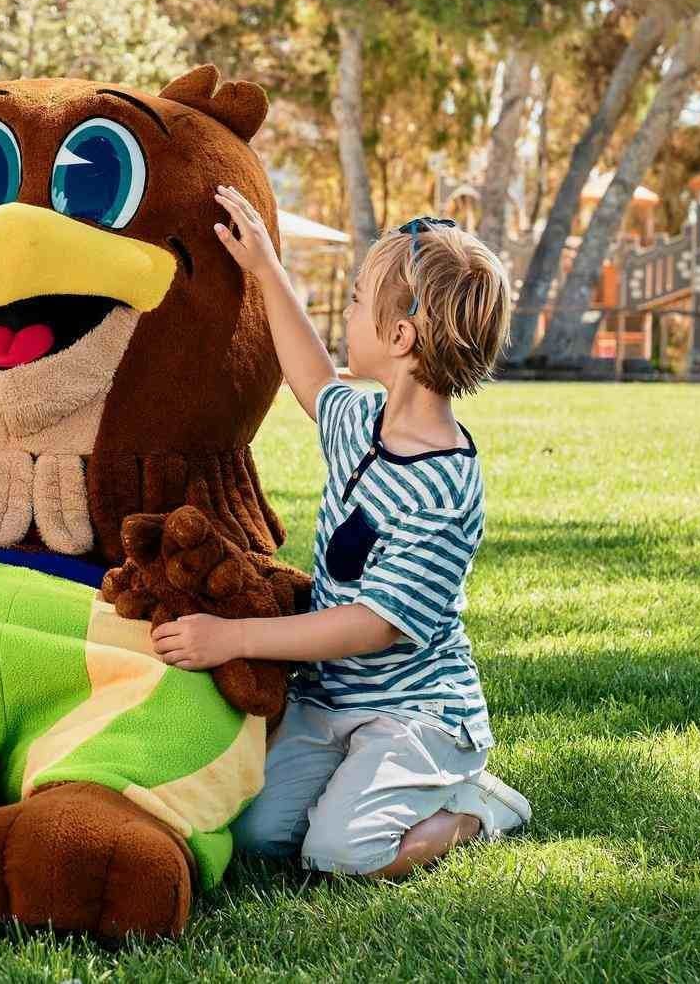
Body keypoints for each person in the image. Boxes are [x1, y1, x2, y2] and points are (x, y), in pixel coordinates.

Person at [152, 186, 530, 877]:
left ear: (398, 338)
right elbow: (312, 376)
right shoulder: (363, 424)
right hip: (330, 701)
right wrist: (266, 268)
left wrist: (233, 637)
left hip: (416, 712)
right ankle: (360, 782)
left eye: (355, 301)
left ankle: (477, 807)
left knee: (341, 852)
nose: (346, 313)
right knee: (261, 834)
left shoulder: (446, 486)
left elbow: (369, 626)